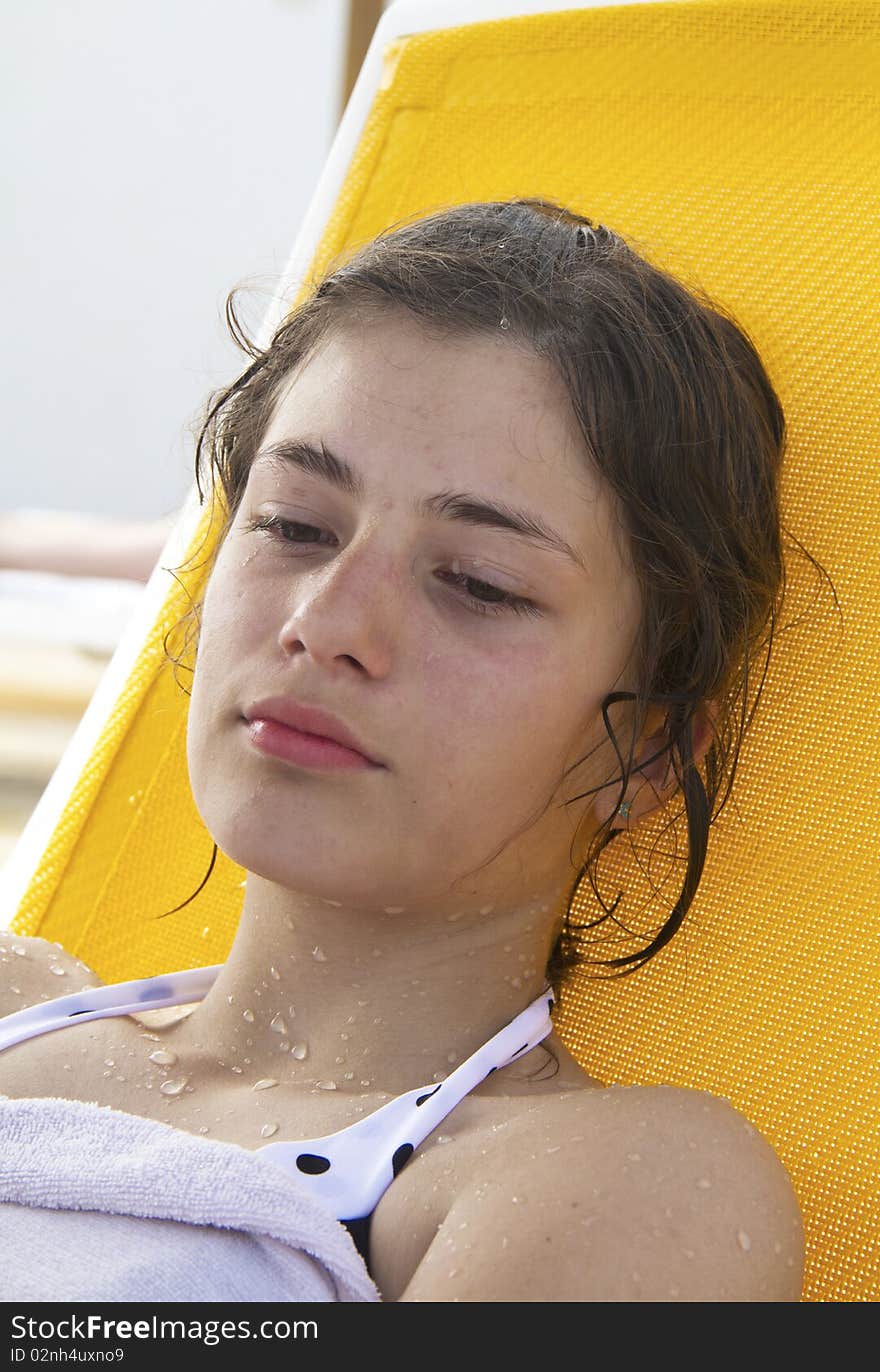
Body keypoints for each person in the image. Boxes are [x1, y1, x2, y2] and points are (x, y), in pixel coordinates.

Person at [0, 198, 807, 1301]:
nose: (326, 624)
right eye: (294, 524)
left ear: (648, 749)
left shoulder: (606, 1181)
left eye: (478, 584)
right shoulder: (16, 996)